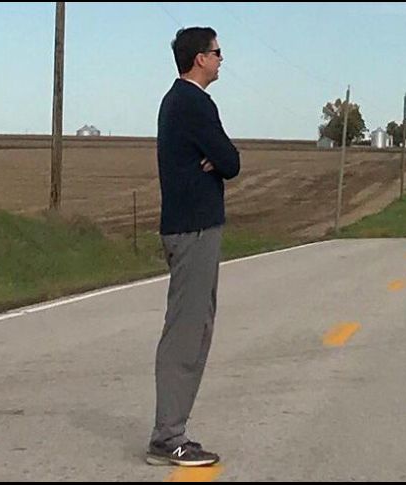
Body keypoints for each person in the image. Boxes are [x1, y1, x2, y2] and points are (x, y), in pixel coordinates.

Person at [146, 26, 240, 468]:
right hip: (194, 229)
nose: (222, 59)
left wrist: (215, 159)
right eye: (217, 53)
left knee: (194, 325)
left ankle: (172, 429)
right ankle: (169, 436)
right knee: (187, 331)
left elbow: (221, 159)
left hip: (190, 227)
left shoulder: (177, 102)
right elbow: (232, 161)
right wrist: (216, 160)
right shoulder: (193, 103)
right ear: (199, 58)